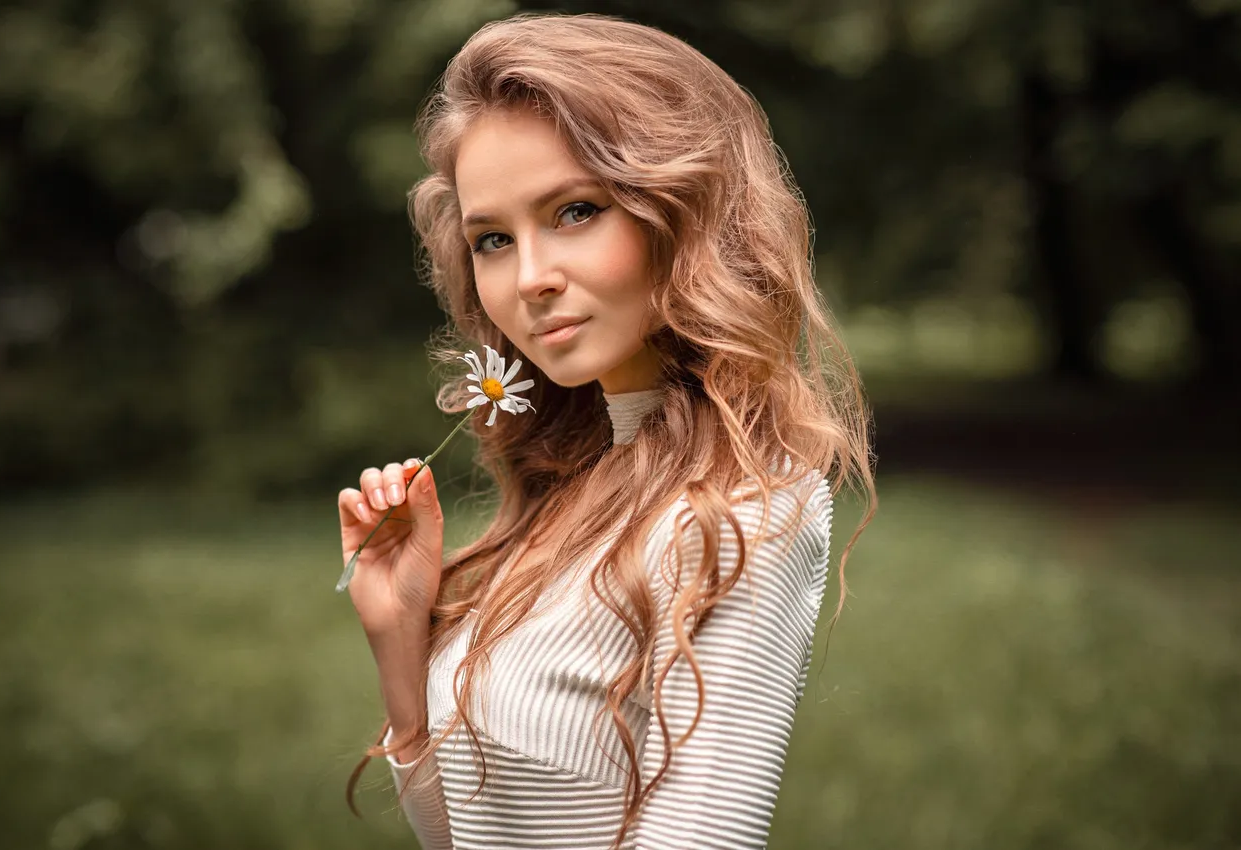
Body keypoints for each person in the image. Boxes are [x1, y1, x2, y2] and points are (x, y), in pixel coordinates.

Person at [336, 12, 876, 849]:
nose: (531, 279)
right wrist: (402, 641)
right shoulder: (574, 489)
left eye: (577, 211)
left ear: (685, 211)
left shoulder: (743, 512)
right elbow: (469, 836)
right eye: (492, 239)